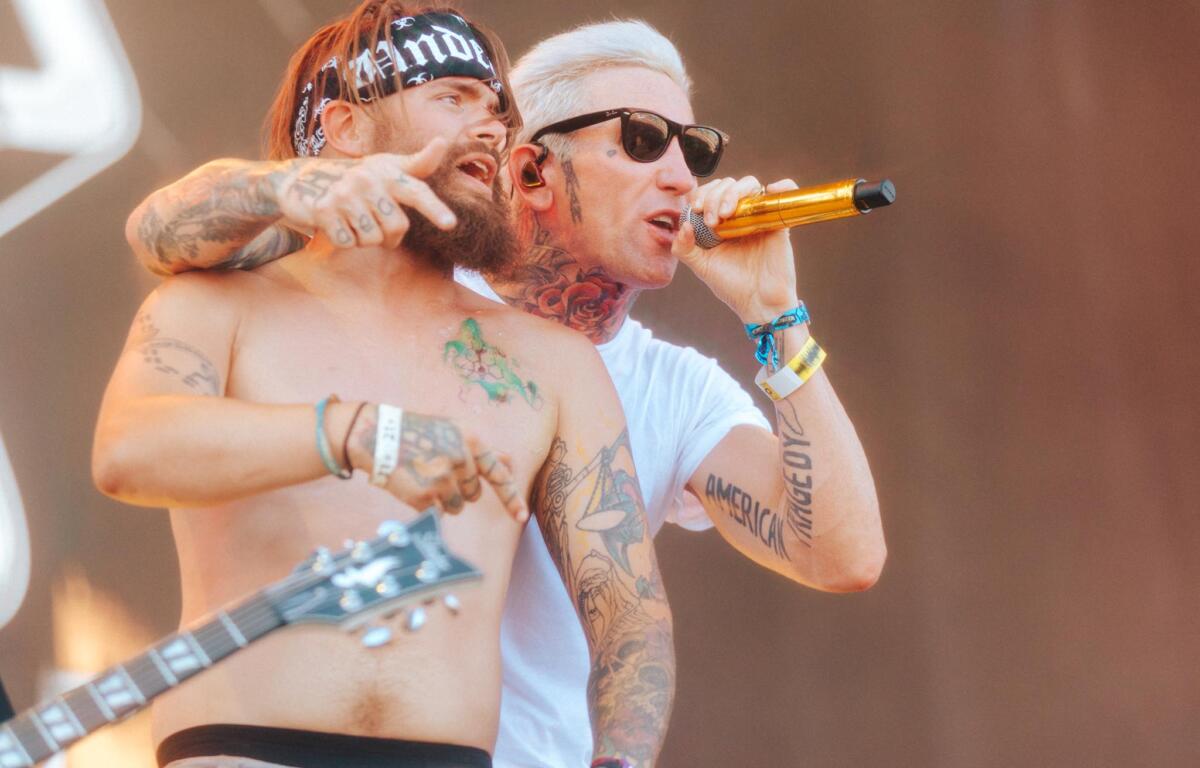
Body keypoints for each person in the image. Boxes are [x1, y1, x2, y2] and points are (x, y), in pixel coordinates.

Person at [125, 17, 887, 768]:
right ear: (530, 171)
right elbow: (165, 232)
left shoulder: (670, 389)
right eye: (643, 139)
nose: (683, 178)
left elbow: (843, 556)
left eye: (695, 150)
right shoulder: (400, 274)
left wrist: (775, 314)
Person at [95, 5, 674, 767]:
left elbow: (629, 613)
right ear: (345, 126)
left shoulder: (552, 360)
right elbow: (128, 453)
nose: (491, 127)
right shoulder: (217, 304)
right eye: (453, 97)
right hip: (244, 745)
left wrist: (621, 761)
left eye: (498, 111)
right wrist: (357, 432)